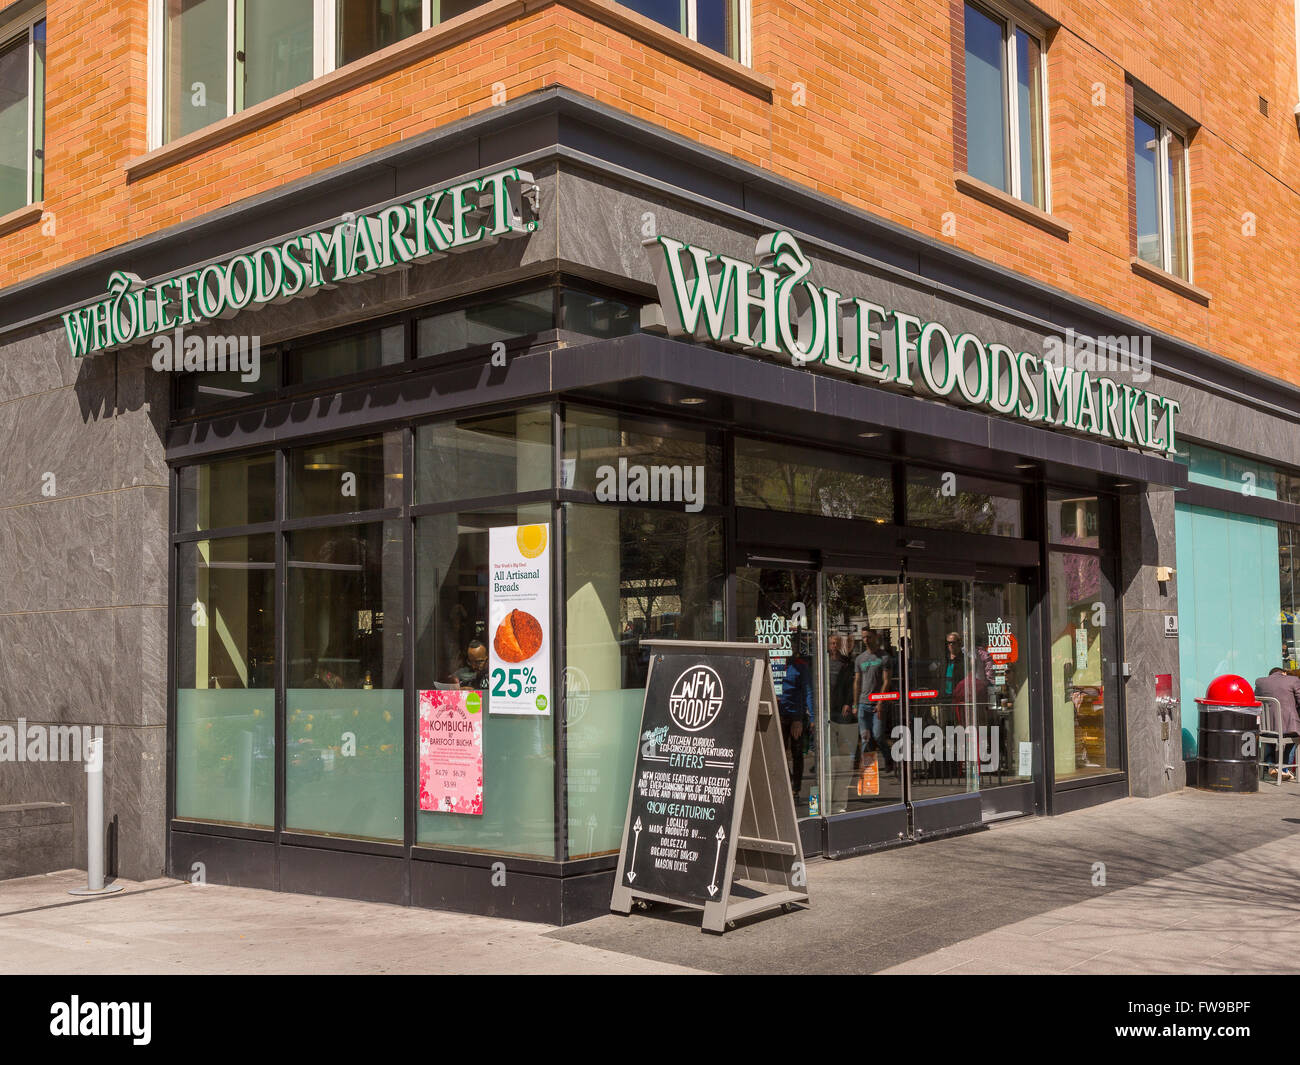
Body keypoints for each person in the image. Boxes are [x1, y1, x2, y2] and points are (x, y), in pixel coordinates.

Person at [778, 636, 814, 797]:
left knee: (797, 752)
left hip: (795, 716)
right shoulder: (775, 664)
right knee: (779, 752)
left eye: (790, 646)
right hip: (778, 714)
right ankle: (788, 781)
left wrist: (804, 718)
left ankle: (796, 787)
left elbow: (808, 692)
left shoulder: (801, 666)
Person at [853, 629, 893, 770]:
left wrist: (880, 702)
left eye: (868, 637)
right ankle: (869, 767)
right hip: (863, 703)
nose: (866, 640)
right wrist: (855, 703)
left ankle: (888, 758)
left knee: (877, 735)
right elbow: (857, 681)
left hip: (878, 703)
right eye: (863, 637)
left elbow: (886, 681)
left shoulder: (884, 657)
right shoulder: (860, 659)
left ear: (875, 637)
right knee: (865, 737)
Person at [1254, 667, 1300, 780]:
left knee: (1271, 738)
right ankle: (1284, 769)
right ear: (1283, 673)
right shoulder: (1292, 680)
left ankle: (1271, 766)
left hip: (1266, 728)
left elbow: (1255, 701)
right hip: (1288, 729)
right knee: (1295, 736)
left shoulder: (1260, 682)